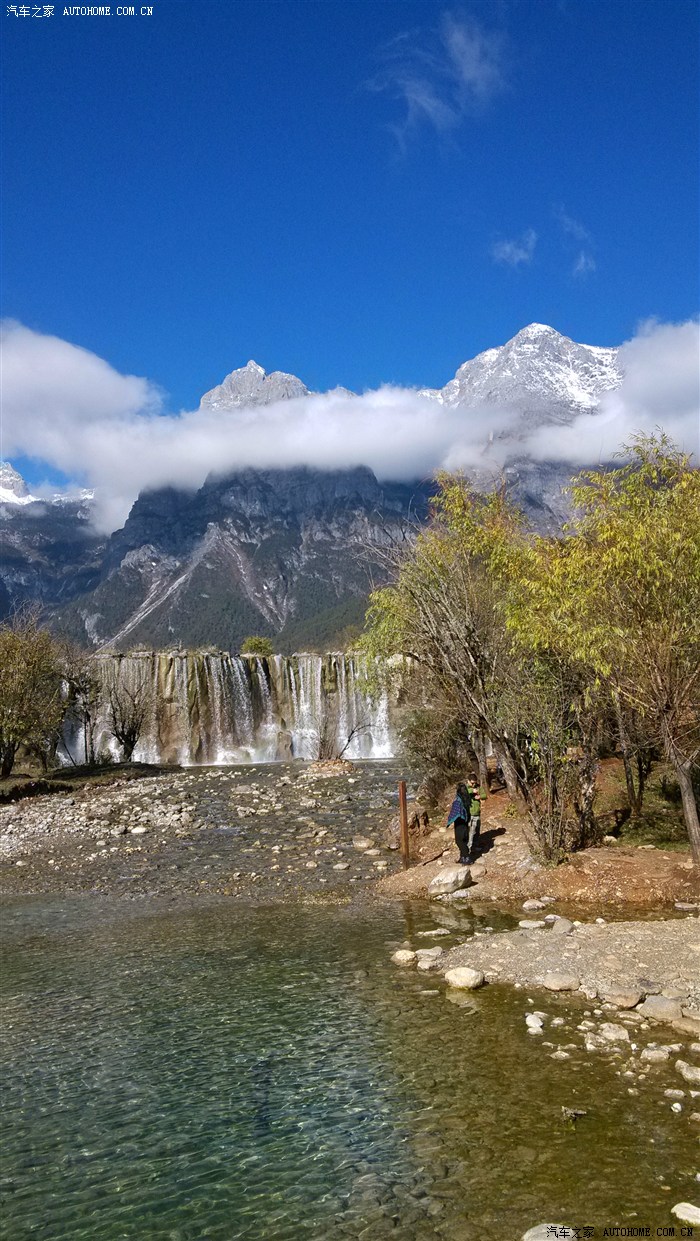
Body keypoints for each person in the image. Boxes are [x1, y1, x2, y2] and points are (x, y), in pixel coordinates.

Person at [446, 782, 471, 865]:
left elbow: (455, 812)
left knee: (459, 841)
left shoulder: (458, 800)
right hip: (465, 822)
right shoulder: (467, 798)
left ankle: (467, 857)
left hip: (459, 823)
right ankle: (462, 857)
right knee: (464, 839)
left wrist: (449, 820)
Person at [464, 776, 483, 863]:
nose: (473, 784)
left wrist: (480, 796)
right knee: (470, 832)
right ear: (468, 781)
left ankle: (475, 847)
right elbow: (464, 794)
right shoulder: (465, 788)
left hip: (477, 812)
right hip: (469, 813)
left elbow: (484, 795)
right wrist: (472, 791)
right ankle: (468, 852)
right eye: (472, 783)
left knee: (477, 830)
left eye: (474, 782)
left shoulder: (478, 787)